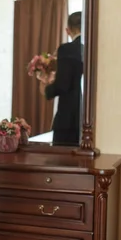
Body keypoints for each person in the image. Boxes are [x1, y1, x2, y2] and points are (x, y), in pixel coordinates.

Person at [40, 11, 84, 146]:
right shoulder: (93, 48)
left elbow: (63, 84)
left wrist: (47, 88)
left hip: (70, 117)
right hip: (90, 116)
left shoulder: (67, 49)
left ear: (67, 30)